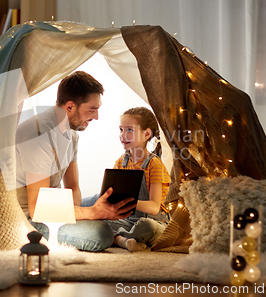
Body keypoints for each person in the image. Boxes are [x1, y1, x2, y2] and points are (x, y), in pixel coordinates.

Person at [15, 71, 135, 252]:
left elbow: (73, 187)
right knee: (99, 234)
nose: (96, 117)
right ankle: (117, 234)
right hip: (31, 218)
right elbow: (36, 208)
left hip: (56, 205)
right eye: (92, 109)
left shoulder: (71, 133)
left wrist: (89, 212)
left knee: (110, 200)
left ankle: (121, 230)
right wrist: (93, 214)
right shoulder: (38, 135)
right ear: (70, 107)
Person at [109, 107, 171, 252]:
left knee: (147, 226)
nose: (123, 135)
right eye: (121, 129)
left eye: (130, 130)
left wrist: (128, 201)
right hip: (127, 220)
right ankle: (128, 241)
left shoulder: (154, 164)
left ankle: (121, 239)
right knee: (100, 224)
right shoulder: (120, 163)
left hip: (153, 219)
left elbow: (154, 207)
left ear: (147, 134)